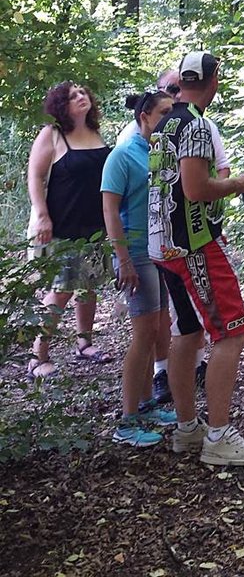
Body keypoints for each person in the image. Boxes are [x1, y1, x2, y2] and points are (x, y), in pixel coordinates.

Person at [148, 51, 244, 466]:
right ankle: (218, 437)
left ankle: (188, 429)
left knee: (187, 333)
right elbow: (196, 188)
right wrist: (240, 182)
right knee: (231, 332)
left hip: (162, 244)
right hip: (195, 244)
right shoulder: (196, 124)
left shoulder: (163, 123)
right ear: (213, 80)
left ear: (182, 81)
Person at [117, 66, 229, 403]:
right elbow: (113, 206)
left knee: (180, 322)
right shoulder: (130, 146)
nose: (174, 100)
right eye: (167, 94)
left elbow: (215, 170)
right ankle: (150, 400)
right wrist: (123, 257)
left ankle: (180, 412)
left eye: (177, 91)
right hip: (162, 245)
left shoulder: (197, 126)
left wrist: (214, 220)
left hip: (176, 241)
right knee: (158, 328)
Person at [102, 89, 178, 446]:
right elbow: (109, 210)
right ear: (145, 115)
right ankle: (127, 419)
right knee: (143, 333)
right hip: (135, 252)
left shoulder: (159, 152)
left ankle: (146, 404)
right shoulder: (122, 154)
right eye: (163, 112)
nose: (169, 118)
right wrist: (123, 259)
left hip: (159, 250)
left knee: (158, 328)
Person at [26, 81, 112, 379]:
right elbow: (35, 176)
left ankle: (84, 343)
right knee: (61, 289)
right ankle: (38, 355)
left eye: (83, 92)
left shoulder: (95, 133)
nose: (81, 97)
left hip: (95, 225)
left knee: (88, 285)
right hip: (62, 225)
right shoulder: (52, 135)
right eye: (73, 95)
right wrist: (41, 215)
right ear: (61, 105)